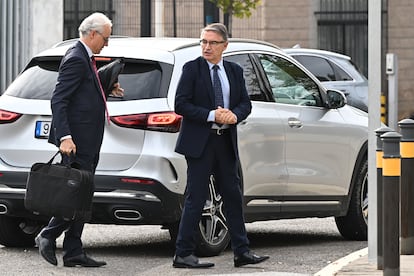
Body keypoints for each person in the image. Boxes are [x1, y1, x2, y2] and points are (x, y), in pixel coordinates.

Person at [173, 23, 269, 268]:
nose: (206, 47)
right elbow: (181, 105)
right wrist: (211, 115)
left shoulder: (234, 71)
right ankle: (183, 254)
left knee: (233, 197)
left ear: (225, 46)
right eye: (203, 42)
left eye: (212, 43)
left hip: (225, 142)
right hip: (200, 144)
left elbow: (245, 104)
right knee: (196, 198)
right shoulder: (192, 69)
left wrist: (234, 116)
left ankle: (242, 252)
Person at [35, 12, 123, 267]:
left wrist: (105, 89)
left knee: (84, 194)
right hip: (77, 142)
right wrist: (65, 136)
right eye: (105, 38)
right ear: (93, 34)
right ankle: (48, 234)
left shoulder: (86, 57)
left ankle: (73, 250)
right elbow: (59, 100)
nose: (107, 43)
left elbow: (81, 94)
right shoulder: (76, 58)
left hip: (89, 140)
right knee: (77, 194)